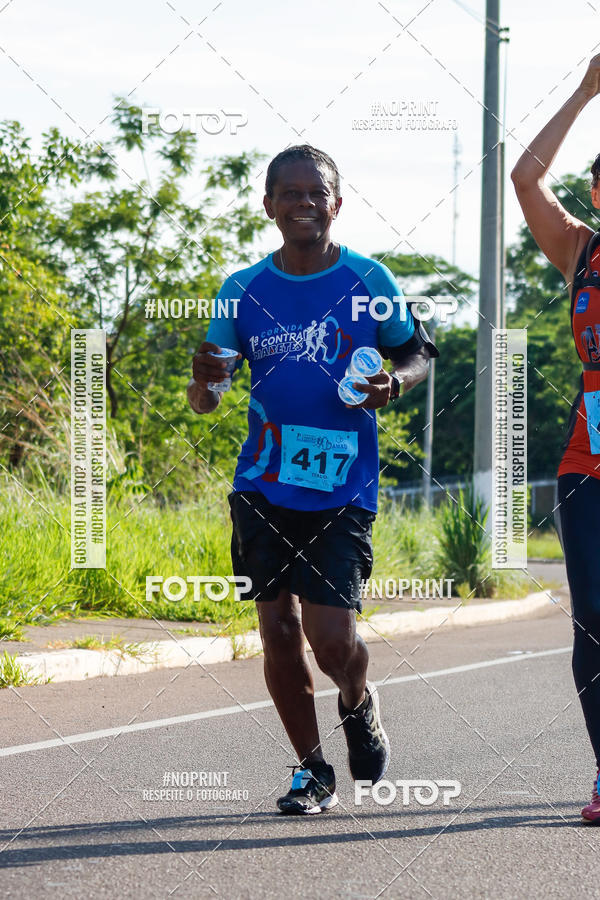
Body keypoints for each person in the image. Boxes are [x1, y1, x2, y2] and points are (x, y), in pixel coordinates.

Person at [188, 144, 438, 815]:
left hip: (342, 487)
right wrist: (203, 385)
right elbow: (207, 393)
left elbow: (414, 351)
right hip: (263, 484)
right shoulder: (242, 290)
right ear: (269, 206)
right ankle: (310, 771)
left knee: (333, 643)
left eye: (316, 192)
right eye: (289, 194)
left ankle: (357, 701)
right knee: (276, 630)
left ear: (337, 201)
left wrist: (395, 382)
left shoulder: (367, 278)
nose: (303, 203)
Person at [512, 54, 600, 823]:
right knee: (596, 618)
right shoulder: (582, 252)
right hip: (588, 468)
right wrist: (585, 92)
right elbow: (526, 181)